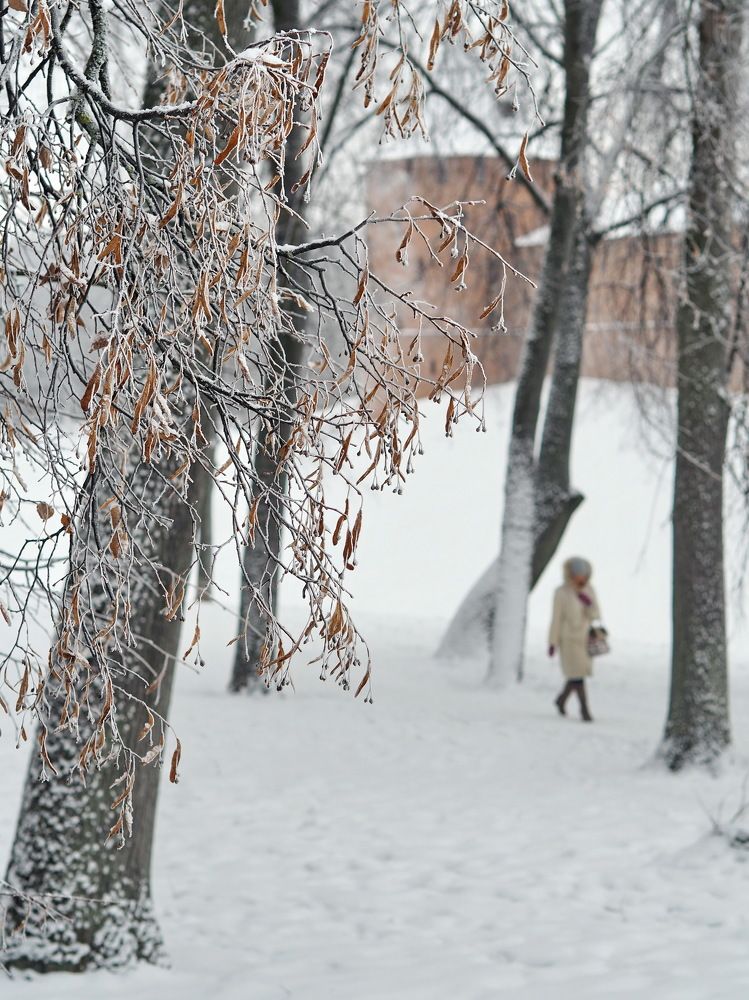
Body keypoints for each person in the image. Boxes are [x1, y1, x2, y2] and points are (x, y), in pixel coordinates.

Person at [548, 557, 601, 722]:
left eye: (583, 574)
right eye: (577, 574)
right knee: (577, 675)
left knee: (576, 675)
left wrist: (587, 602)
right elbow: (556, 618)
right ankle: (584, 710)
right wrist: (552, 642)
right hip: (568, 640)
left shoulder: (589, 590)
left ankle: (561, 700)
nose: (581, 578)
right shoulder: (561, 592)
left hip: (584, 639)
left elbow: (596, 615)